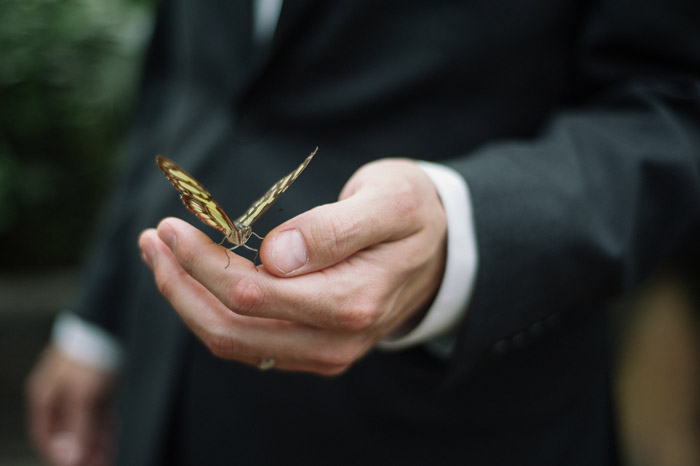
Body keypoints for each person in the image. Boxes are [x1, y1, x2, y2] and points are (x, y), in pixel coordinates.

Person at [26, 1, 700, 465]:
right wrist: (99, 321)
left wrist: (464, 230)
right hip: (164, 393)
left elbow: (672, 105)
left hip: (440, 422)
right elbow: (182, 72)